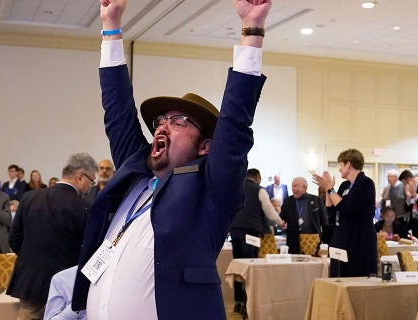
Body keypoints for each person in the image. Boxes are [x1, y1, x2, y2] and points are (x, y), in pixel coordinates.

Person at [72, 1, 271, 318]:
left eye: (179, 122)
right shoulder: (135, 175)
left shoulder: (210, 193)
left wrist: (251, 29)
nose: (163, 125)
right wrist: (111, 27)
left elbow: (235, 123)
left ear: (205, 146)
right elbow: (118, 112)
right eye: (161, 121)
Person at [7, 153, 96, 320]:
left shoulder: (29, 198)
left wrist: (33, 259)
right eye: (91, 181)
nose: (90, 188)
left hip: (30, 283)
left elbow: (14, 240)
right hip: (65, 289)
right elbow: (86, 251)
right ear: (80, 177)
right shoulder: (83, 207)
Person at [312, 148, 377, 277]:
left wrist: (330, 189)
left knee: (355, 276)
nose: (339, 169)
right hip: (343, 236)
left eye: (341, 165)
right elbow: (332, 211)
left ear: (349, 164)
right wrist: (328, 189)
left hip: (359, 239)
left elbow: (349, 209)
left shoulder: (365, 183)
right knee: (338, 275)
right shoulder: (344, 186)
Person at [229, 168, 284, 313]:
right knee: (250, 267)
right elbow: (269, 210)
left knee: (238, 266)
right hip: (251, 232)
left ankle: (238, 302)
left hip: (235, 230)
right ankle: (248, 304)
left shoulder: (235, 188)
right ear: (258, 177)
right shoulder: (259, 190)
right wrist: (280, 222)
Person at [280, 177, 327, 254]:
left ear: (304, 187)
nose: (293, 188)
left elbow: (324, 222)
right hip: (293, 242)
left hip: (312, 241)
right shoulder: (288, 201)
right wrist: (281, 224)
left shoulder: (316, 200)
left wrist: (325, 241)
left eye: (295, 186)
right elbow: (282, 219)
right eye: (292, 186)